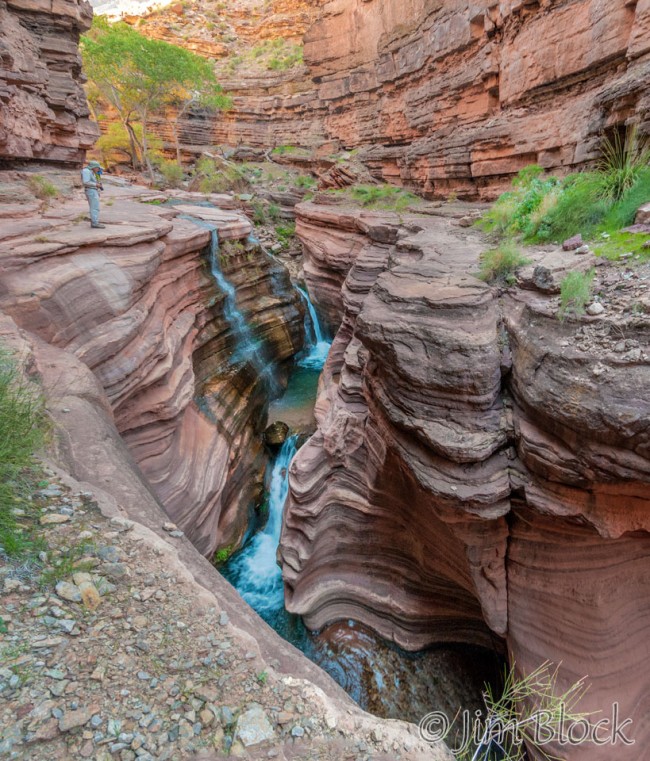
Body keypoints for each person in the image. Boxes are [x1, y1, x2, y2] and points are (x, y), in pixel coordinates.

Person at [81, 160, 105, 228]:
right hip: (91, 190)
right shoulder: (86, 171)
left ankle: (95, 221)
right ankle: (95, 223)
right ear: (93, 167)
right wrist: (96, 185)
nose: (98, 169)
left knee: (95, 206)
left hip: (93, 190)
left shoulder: (91, 172)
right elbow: (85, 182)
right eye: (97, 167)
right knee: (94, 207)